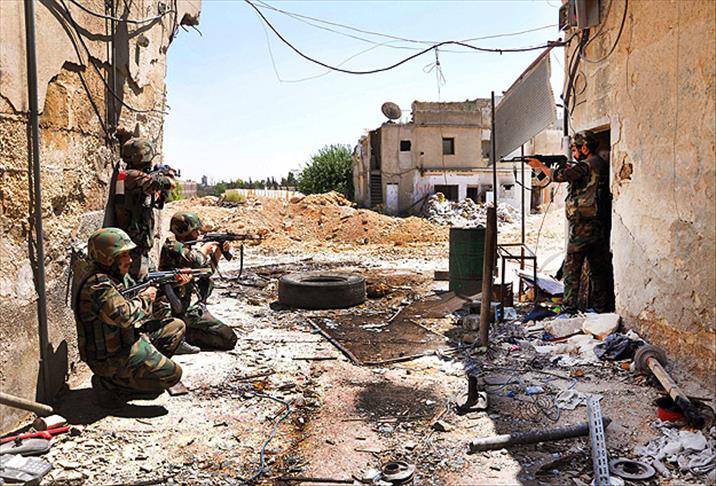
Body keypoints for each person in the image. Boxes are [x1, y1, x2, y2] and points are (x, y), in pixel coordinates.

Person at [75, 227, 187, 404]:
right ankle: (110, 385)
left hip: (128, 339)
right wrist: (146, 298)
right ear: (109, 258)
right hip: (110, 358)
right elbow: (125, 317)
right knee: (173, 374)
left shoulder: (119, 277)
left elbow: (145, 306)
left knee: (176, 326)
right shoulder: (98, 286)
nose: (130, 260)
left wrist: (173, 286)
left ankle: (139, 375)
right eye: (124, 255)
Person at [528, 130, 615, 313]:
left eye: (575, 149)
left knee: (572, 268)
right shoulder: (597, 163)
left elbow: (560, 176)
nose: (574, 153)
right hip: (597, 223)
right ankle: (601, 308)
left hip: (583, 225)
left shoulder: (587, 164)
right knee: (597, 268)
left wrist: (540, 166)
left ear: (585, 148)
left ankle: (569, 308)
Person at [158, 211, 238, 351]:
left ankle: (187, 331)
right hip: (181, 307)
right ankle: (184, 334)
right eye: (195, 231)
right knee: (229, 339)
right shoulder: (174, 247)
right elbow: (198, 260)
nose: (198, 234)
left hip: (189, 301)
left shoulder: (185, 246)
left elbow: (207, 271)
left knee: (206, 282)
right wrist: (205, 249)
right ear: (184, 231)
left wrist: (219, 251)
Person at [105, 136, 177, 280]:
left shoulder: (127, 175)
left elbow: (154, 200)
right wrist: (168, 175)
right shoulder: (132, 176)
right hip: (133, 244)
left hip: (135, 241)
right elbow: (170, 184)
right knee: (139, 284)